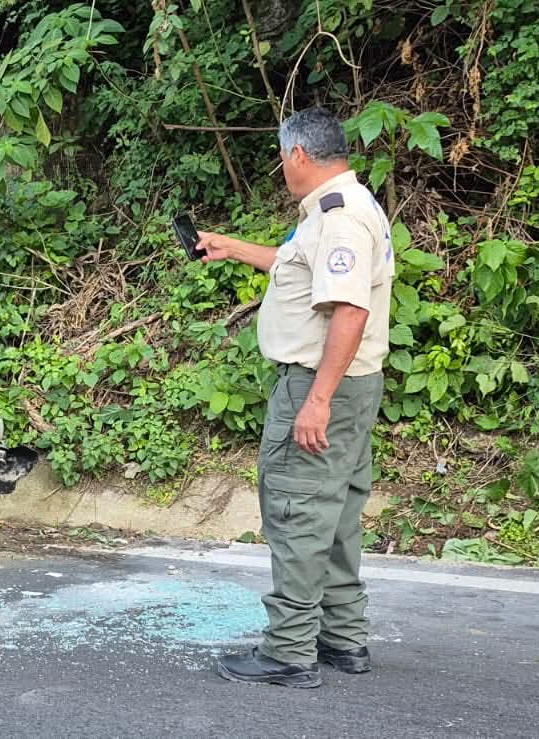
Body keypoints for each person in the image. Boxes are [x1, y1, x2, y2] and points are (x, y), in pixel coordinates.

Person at [197, 107, 395, 689]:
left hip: (322, 383)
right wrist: (233, 248)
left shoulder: (339, 219)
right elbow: (300, 267)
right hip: (349, 385)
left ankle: (289, 652)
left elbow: (350, 310)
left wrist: (317, 400)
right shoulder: (345, 207)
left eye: (284, 158)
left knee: (298, 511)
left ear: (299, 156)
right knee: (334, 515)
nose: (283, 167)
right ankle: (343, 639)